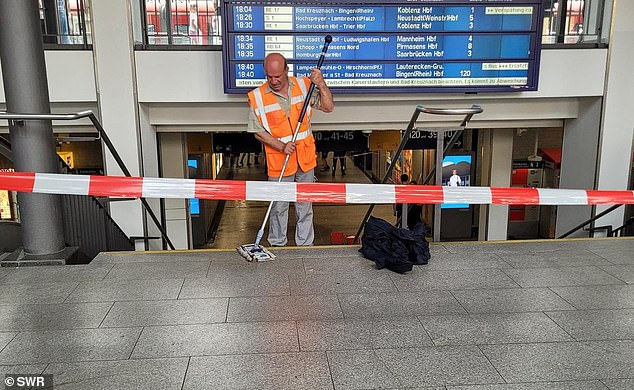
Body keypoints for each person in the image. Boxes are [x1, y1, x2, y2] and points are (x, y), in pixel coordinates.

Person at [247, 53, 334, 246]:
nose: (274, 81)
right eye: (269, 76)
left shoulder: (304, 86)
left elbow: (328, 107)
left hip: (305, 158)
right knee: (279, 206)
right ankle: (277, 243)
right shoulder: (258, 97)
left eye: (277, 76)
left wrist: (320, 83)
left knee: (305, 204)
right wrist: (281, 146)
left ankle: (305, 245)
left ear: (286, 70)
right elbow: (257, 131)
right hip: (279, 161)